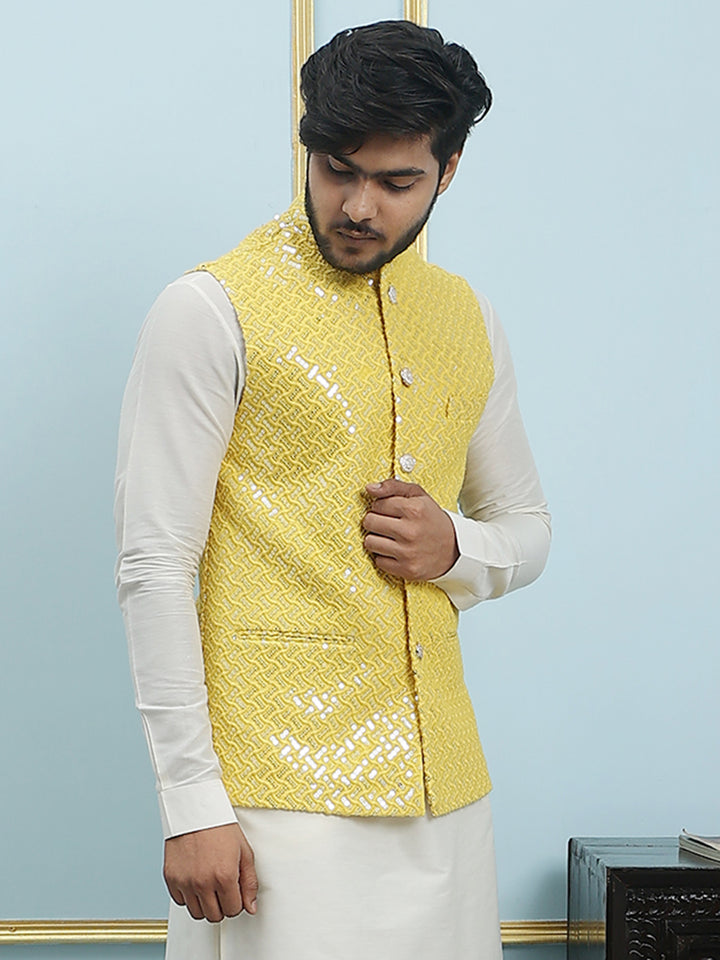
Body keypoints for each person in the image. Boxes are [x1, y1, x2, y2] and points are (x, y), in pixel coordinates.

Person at [114, 20, 551, 960]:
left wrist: (458, 549)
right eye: (336, 169)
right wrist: (190, 802)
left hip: (446, 796)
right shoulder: (209, 311)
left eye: (396, 182)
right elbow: (154, 566)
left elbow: (526, 526)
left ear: (449, 170)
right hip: (274, 797)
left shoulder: (468, 318)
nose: (357, 205)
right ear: (306, 146)